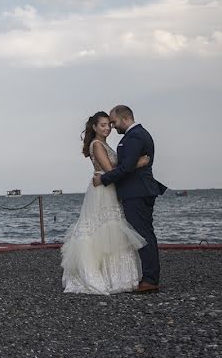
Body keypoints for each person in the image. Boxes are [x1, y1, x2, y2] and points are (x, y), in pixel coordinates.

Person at [61, 111, 151, 295]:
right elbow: (110, 169)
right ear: (94, 127)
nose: (107, 128)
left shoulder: (105, 144)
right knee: (103, 229)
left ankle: (118, 277)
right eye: (102, 125)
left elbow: (116, 170)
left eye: (109, 125)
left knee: (114, 229)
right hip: (102, 189)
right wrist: (138, 163)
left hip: (110, 187)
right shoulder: (96, 145)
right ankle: (98, 275)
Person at [93, 105, 167, 292]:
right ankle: (149, 276)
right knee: (143, 234)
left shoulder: (134, 137)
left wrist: (103, 179)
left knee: (142, 236)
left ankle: (150, 279)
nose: (112, 126)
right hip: (138, 191)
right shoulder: (139, 134)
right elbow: (128, 165)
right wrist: (135, 163)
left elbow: (125, 168)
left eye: (114, 122)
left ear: (125, 119)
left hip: (137, 192)